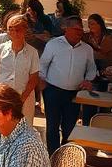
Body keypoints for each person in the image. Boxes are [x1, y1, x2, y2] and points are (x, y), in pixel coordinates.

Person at [39, 15, 98, 153]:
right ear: (66, 29)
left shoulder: (87, 49)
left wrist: (88, 80)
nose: (80, 32)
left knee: (69, 127)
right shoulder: (53, 44)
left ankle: (66, 157)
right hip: (52, 91)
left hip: (74, 93)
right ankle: (53, 157)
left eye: (81, 29)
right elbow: (42, 65)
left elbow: (91, 68)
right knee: (52, 126)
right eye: (76, 29)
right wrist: (41, 81)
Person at [0, 15, 40, 125]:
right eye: (11, 29)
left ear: (25, 30)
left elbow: (34, 77)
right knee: (1, 126)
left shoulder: (32, 52)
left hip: (24, 97)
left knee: (23, 127)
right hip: (2, 96)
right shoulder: (0, 49)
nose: (14, 33)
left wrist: (22, 99)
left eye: (18, 29)